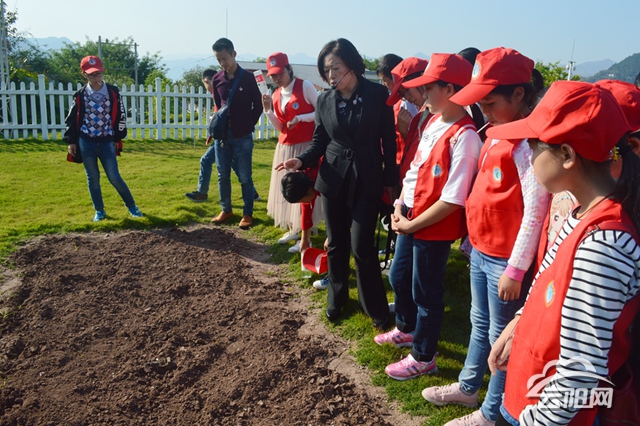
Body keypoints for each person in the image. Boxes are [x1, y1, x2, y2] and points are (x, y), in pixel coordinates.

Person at [486, 81, 640, 426]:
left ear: (568, 155)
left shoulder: (605, 244)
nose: (529, 158)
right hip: (526, 394)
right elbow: (547, 282)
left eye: (533, 147)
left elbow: (581, 373)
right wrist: (518, 323)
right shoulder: (581, 213)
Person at [421, 47, 549, 426]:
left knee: (501, 340)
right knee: (479, 324)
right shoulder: (494, 132)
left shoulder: (527, 145)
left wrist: (516, 268)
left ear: (519, 95)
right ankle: (468, 386)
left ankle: (492, 412)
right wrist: (471, 241)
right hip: (481, 251)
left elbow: (535, 211)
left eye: (489, 102)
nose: (483, 109)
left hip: (504, 262)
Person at [373, 53, 482, 379]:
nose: (421, 95)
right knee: (399, 276)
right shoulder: (433, 122)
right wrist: (399, 206)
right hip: (411, 218)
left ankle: (424, 355)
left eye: (428, 88)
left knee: (427, 292)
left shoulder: (466, 136)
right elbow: (415, 170)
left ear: (449, 90)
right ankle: (407, 328)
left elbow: (453, 199)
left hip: (432, 227)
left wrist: (412, 223)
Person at [276, 38, 397, 328]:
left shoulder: (378, 94)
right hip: (333, 179)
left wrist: (391, 180)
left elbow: (389, 141)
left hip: (368, 178)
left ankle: (374, 307)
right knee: (336, 244)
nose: (331, 75)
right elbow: (320, 141)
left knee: (362, 246)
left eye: (335, 68)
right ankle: (337, 299)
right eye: (326, 70)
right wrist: (301, 160)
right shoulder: (325, 100)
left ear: (353, 65)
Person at [190, 38, 263, 229]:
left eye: (224, 58)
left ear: (234, 54)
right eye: (218, 59)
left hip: (243, 135)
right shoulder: (217, 79)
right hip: (222, 135)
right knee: (222, 174)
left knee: (245, 176)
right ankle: (226, 209)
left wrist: (248, 124)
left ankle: (247, 213)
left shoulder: (248, 78)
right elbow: (218, 105)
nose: (222, 62)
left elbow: (258, 105)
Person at [64, 55, 143, 222]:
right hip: (86, 141)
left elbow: (120, 116)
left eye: (98, 73)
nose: (96, 77)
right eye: (92, 74)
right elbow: (71, 119)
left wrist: (117, 138)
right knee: (92, 177)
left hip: (107, 141)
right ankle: (99, 211)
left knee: (114, 176)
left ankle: (132, 207)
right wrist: (71, 141)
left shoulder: (113, 92)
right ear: (84, 75)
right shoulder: (80, 95)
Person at [262, 52, 321, 253]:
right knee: (289, 187)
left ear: (289, 69)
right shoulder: (276, 94)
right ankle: (293, 228)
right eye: (273, 75)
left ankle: (306, 233)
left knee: (304, 189)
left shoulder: (305, 86)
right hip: (285, 147)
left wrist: (301, 118)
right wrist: (268, 111)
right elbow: (281, 127)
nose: (277, 78)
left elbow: (321, 111)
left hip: (306, 147)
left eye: (280, 73)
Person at [185, 68, 260, 204]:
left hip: (228, 134)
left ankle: (202, 193)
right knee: (234, 165)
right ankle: (252, 193)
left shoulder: (222, 92)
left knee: (207, 160)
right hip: (222, 134)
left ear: (207, 81)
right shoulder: (220, 93)